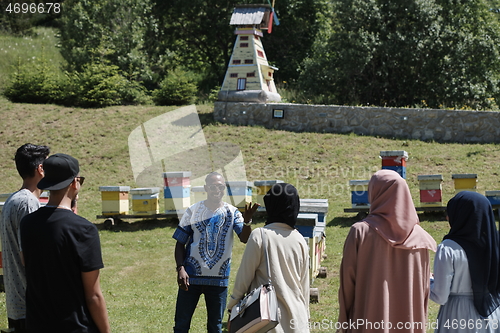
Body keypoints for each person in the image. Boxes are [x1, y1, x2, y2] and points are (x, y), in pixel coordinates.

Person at [20, 153, 111, 333]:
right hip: (74, 327)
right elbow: (93, 295)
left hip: (36, 325)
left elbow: (26, 264)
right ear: (74, 182)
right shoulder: (84, 229)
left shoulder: (27, 223)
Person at [338, 169, 437, 333]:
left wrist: (344, 324)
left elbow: (347, 285)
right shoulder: (421, 238)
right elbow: (424, 292)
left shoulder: (360, 232)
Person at [173, 172, 259, 333]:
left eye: (220, 187)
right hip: (190, 279)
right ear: (206, 188)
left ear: (224, 189)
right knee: (181, 325)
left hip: (219, 281)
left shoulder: (233, 213)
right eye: (212, 187)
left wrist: (247, 222)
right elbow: (180, 243)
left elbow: (244, 238)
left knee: (215, 327)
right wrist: (180, 268)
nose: (216, 190)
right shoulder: (192, 211)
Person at [227, 182, 310, 333]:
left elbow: (244, 278)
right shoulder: (300, 240)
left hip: (268, 321)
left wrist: (232, 307)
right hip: (298, 321)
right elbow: (304, 287)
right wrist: (306, 318)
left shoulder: (260, 235)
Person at [430, 191, 500, 332]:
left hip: (457, 315)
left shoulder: (448, 248)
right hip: (492, 314)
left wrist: (428, 281)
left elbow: (440, 296)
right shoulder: (494, 244)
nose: (447, 217)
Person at [0, 143, 50, 332]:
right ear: (40, 169)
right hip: (30, 307)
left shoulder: (13, 199)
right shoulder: (28, 202)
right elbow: (30, 256)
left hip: (18, 305)